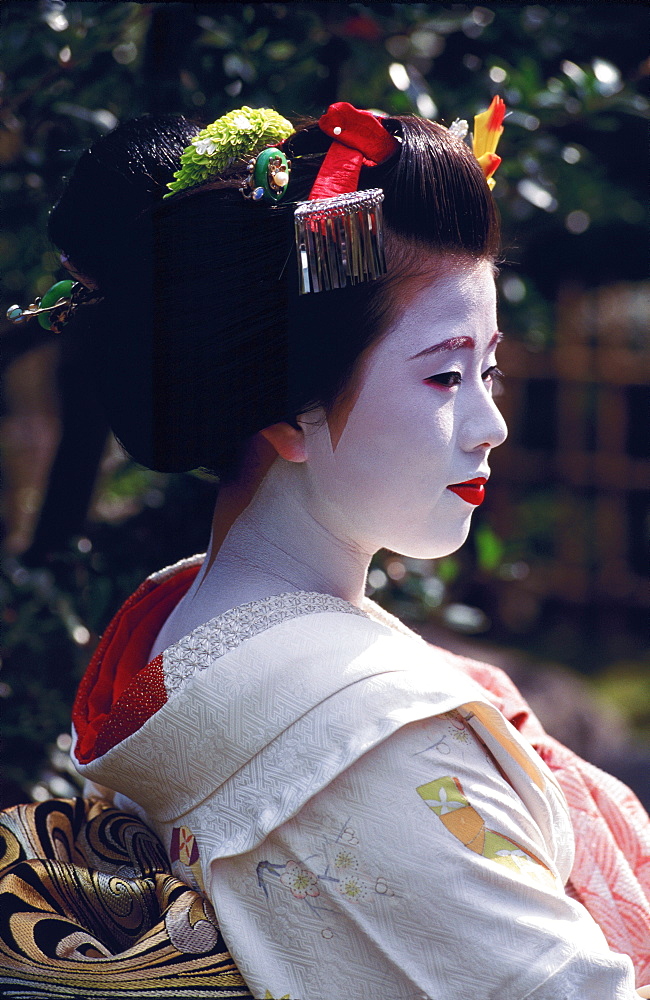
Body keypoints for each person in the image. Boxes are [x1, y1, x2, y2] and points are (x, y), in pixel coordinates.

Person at [9, 102, 649, 998]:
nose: (490, 423)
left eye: (488, 369)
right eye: (441, 374)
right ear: (287, 403)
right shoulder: (371, 746)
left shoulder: (171, 629)